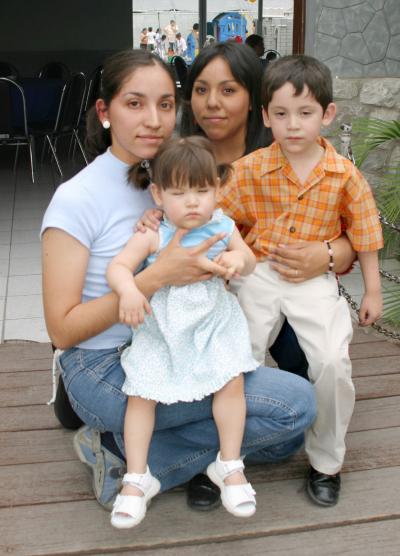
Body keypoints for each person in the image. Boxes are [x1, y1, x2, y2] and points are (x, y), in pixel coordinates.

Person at [42, 48, 316, 515]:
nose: (153, 119)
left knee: (284, 432)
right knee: (293, 410)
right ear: (105, 113)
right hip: (106, 368)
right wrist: (156, 277)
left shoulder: (175, 176)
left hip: (180, 343)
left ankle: (131, 452)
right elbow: (62, 332)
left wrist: (329, 251)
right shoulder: (76, 199)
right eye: (134, 104)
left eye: (166, 104)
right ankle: (123, 457)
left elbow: (242, 235)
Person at [141, 42, 357, 510]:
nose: (212, 102)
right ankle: (214, 456)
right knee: (218, 356)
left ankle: (316, 454)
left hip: (280, 282)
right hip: (203, 297)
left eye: (228, 89)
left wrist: (327, 252)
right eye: (200, 89)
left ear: (254, 101)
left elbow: (349, 235)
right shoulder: (175, 157)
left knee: (318, 358)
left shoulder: (285, 145)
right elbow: (160, 220)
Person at [219, 54, 384, 507]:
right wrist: (231, 261)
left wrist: (372, 290)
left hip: (315, 279)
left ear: (327, 114)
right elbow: (218, 221)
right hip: (258, 272)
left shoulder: (343, 175)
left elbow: (366, 233)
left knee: (332, 361)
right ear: (266, 116)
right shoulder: (249, 169)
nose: (294, 125)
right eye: (281, 114)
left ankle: (326, 461)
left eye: (306, 112)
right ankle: (226, 455)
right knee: (237, 356)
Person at [107, 136, 259, 528]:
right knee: (141, 393)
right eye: (179, 192)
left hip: (213, 325)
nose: (192, 202)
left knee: (231, 381)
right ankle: (137, 477)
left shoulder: (223, 224)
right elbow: (119, 267)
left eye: (202, 190)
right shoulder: (154, 233)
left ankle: (230, 463)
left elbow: (250, 258)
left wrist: (235, 257)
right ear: (157, 193)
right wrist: (128, 290)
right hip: (163, 329)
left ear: (218, 188)